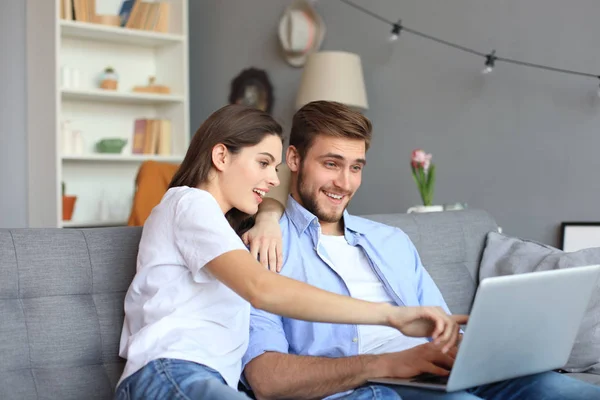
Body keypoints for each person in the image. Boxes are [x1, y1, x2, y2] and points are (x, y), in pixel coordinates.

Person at [242, 100, 600, 400]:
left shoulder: (390, 240)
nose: (345, 183)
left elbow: (442, 330)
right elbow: (266, 378)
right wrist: (383, 364)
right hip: (364, 386)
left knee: (572, 393)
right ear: (293, 158)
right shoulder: (262, 246)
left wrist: (483, 348)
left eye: (356, 167)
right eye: (331, 164)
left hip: (434, 371)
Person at [114, 104, 466, 400]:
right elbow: (262, 289)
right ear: (220, 155)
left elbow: (274, 196)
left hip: (206, 378)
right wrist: (390, 316)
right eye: (263, 163)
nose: (271, 179)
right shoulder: (189, 203)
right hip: (169, 370)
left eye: (274, 167)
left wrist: (268, 213)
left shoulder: (228, 231)